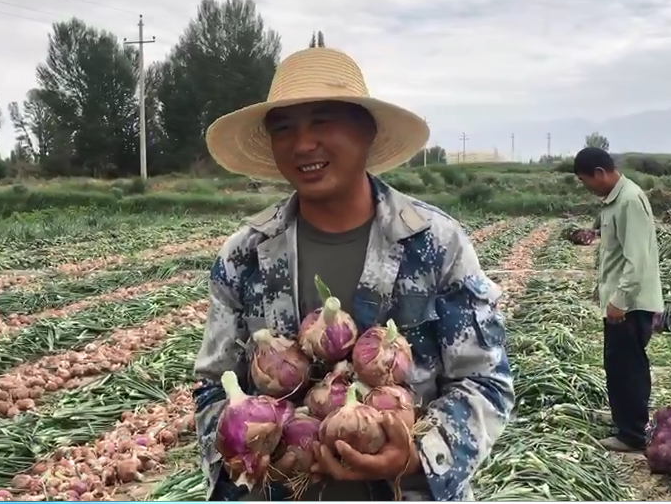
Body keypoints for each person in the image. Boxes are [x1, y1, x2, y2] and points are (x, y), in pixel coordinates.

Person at [193, 46, 514, 501]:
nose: (303, 144)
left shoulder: (436, 243)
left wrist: (415, 455)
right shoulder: (244, 256)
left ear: (367, 133)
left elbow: (486, 380)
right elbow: (212, 387)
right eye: (283, 128)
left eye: (322, 121)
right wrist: (243, 456)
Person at [572, 147, 663, 453]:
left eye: (587, 181)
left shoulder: (629, 201)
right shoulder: (614, 201)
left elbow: (636, 260)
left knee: (629, 367)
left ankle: (633, 434)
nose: (588, 187)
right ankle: (626, 424)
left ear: (600, 173)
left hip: (630, 304)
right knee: (618, 365)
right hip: (622, 300)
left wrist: (619, 301)